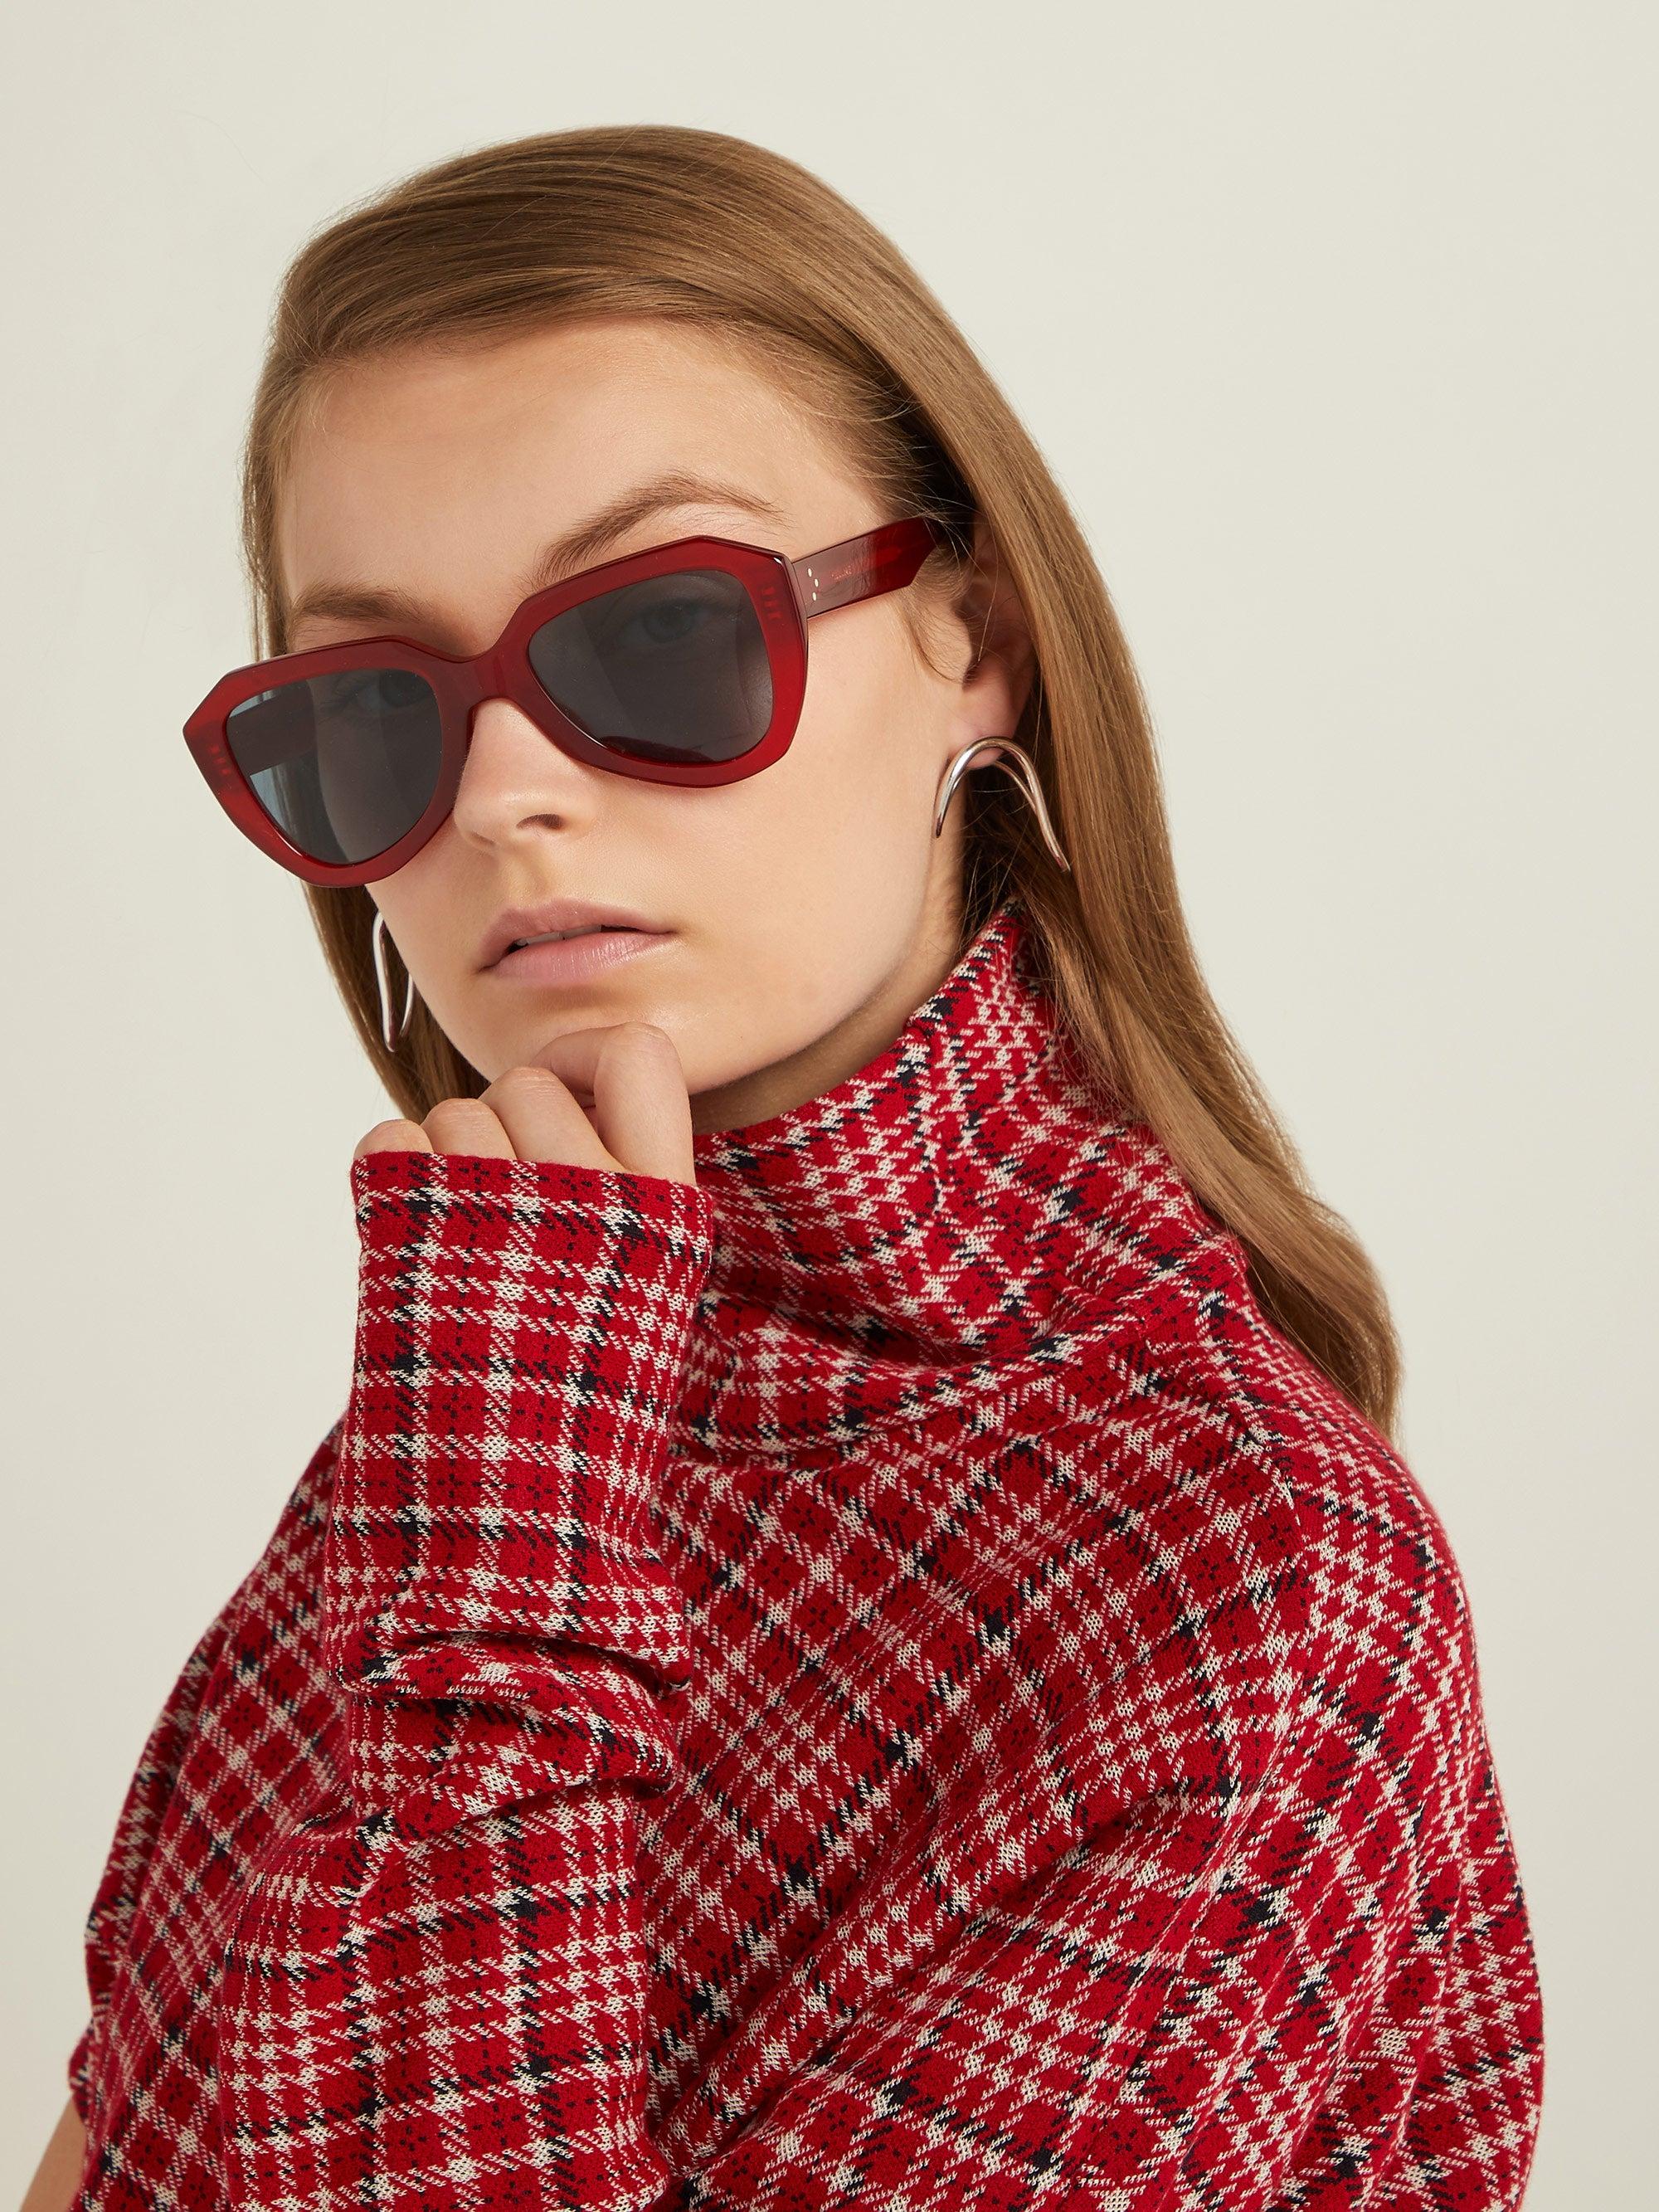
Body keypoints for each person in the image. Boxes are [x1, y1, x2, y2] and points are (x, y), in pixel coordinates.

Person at [26, 124, 1542, 2212]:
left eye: (658, 636)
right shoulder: (525, 1348)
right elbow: (117, 2137)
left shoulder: (1249, 1577)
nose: (505, 793)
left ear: (974, 637)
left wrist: (507, 1565)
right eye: (375, 707)